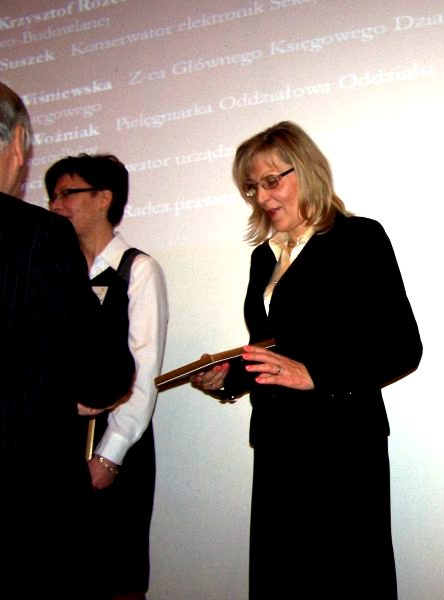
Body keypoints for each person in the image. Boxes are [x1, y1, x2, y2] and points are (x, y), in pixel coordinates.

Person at [189, 121, 422, 599]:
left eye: (272, 180)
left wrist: (316, 375)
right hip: (277, 444)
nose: (261, 196)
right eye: (252, 187)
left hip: (341, 445)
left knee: (346, 580)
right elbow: (274, 351)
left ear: (307, 170)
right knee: (283, 580)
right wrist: (227, 378)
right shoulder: (263, 257)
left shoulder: (358, 238)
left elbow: (402, 346)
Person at [0, 82, 135, 597]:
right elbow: (102, 374)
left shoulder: (136, 267)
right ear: (18, 144)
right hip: (23, 499)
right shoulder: (38, 235)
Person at [46, 153, 169, 600]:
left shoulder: (138, 269)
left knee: (115, 573)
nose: (55, 205)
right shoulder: (54, 272)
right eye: (52, 196)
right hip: (58, 443)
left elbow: (145, 368)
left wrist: (109, 455)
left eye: (67, 193)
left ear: (103, 199)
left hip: (118, 444)